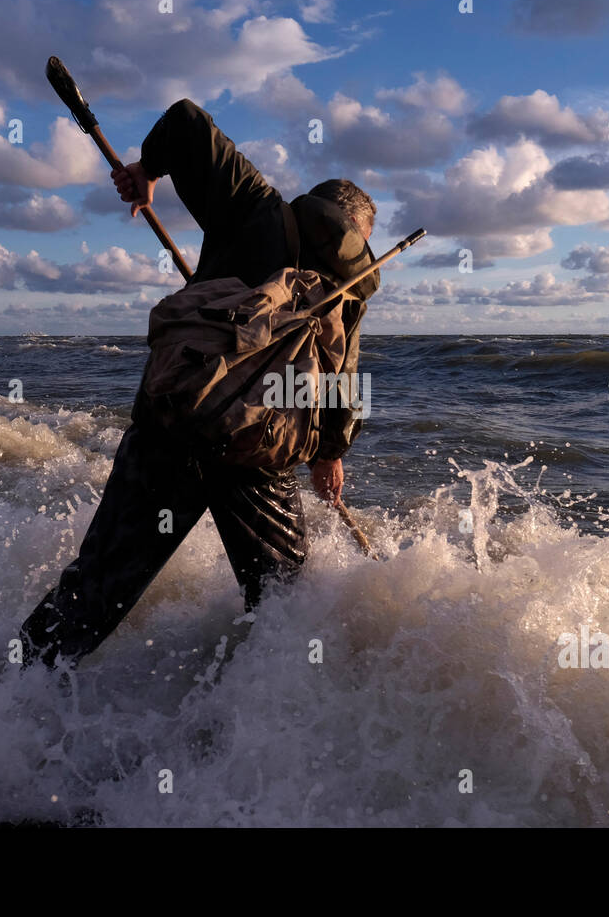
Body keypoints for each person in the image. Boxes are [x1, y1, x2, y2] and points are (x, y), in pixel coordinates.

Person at [19, 98, 379, 668]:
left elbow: (187, 121)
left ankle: (2, 701)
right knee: (283, 605)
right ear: (359, 233)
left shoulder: (255, 205)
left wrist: (146, 171)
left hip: (174, 421)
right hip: (254, 453)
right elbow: (341, 379)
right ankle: (259, 730)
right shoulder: (347, 282)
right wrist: (329, 456)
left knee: (94, 590)